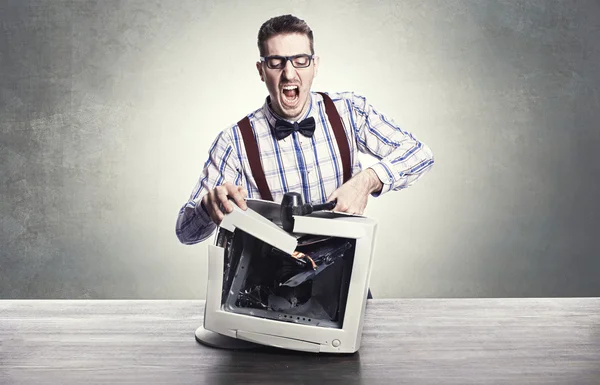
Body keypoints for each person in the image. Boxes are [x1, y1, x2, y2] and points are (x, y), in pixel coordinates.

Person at [176, 14, 434, 246]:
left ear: (314, 65)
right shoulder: (233, 141)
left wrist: (368, 180)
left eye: (300, 61)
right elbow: (185, 233)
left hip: (346, 276)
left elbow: (420, 154)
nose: (289, 74)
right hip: (269, 288)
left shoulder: (350, 111)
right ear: (261, 71)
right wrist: (206, 208)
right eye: (276, 63)